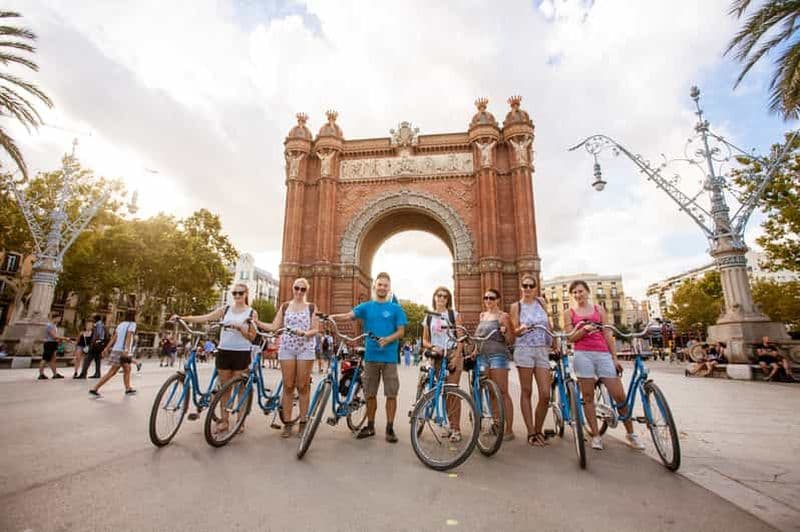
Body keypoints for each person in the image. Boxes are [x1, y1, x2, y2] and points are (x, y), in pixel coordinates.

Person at [567, 280, 645, 451]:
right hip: (582, 355)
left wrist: (614, 358)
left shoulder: (599, 310)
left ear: (587, 292)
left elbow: (607, 333)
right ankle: (596, 436)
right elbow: (570, 338)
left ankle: (631, 434)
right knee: (587, 397)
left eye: (580, 291)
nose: (578, 295)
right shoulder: (570, 312)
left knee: (619, 396)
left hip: (602, 354)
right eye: (574, 293)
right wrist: (584, 330)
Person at [170, 282, 257, 434]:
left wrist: (240, 329)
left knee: (240, 388)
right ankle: (224, 421)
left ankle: (240, 420)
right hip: (224, 351)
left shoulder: (251, 313)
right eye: (234, 293)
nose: (237, 296)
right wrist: (182, 317)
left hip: (241, 352)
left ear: (246, 294)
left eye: (240, 293)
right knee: (225, 388)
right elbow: (205, 317)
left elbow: (252, 337)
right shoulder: (225, 310)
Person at [330, 272, 407, 443]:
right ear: (375, 286)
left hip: (389, 358)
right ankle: (371, 426)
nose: (382, 288)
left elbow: (401, 331)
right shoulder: (366, 307)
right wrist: (333, 317)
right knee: (370, 394)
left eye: (385, 285)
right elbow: (350, 315)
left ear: (389, 288)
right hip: (371, 356)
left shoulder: (396, 309)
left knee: (391, 394)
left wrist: (387, 339)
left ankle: (389, 428)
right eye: (380, 285)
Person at [252, 277, 319, 438]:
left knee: (302, 386)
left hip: (305, 349)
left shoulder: (311, 307)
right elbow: (275, 327)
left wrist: (304, 333)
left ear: (306, 291)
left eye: (302, 289)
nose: (299, 291)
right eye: (297, 288)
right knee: (288, 386)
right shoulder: (285, 306)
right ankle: (288, 423)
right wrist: (257, 322)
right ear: (292, 288)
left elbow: (315, 329)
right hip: (287, 348)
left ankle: (303, 421)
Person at [510, 274, 555, 447]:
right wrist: (519, 329)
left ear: (535, 287)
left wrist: (554, 343)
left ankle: (538, 428)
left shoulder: (541, 302)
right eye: (525, 285)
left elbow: (548, 324)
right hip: (524, 350)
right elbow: (514, 330)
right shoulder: (516, 306)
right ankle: (531, 432)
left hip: (542, 350)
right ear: (520, 287)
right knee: (527, 391)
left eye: (531, 285)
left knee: (545, 394)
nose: (528, 288)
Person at [421, 286, 464, 441]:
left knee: (452, 391)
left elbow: (461, 339)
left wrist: (457, 357)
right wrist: (433, 347)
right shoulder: (429, 317)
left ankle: (456, 429)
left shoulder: (454, 315)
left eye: (444, 296)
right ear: (434, 297)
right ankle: (450, 426)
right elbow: (424, 340)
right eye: (438, 295)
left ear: (448, 299)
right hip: (437, 356)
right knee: (444, 392)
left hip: (452, 353)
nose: (441, 298)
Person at [475, 288, 515, 441]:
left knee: (502, 392)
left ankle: (509, 429)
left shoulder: (503, 316)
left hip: (498, 356)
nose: (488, 301)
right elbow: (480, 337)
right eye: (486, 298)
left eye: (491, 298)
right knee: (491, 392)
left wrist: (505, 332)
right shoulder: (482, 315)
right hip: (483, 357)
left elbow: (511, 340)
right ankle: (497, 425)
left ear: (498, 299)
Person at [89, 309, 138, 397]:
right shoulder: (132, 324)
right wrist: (126, 350)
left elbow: (114, 338)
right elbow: (129, 337)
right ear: (133, 316)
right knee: (112, 371)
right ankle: (95, 388)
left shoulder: (121, 324)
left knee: (127, 369)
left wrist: (106, 348)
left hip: (116, 349)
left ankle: (128, 389)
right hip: (122, 351)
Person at [38, 313, 70, 380]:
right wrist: (65, 338)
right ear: (55, 318)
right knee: (45, 359)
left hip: (53, 343)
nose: (59, 320)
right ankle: (41, 374)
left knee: (53, 359)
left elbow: (55, 337)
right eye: (59, 318)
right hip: (49, 343)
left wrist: (60, 340)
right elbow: (54, 336)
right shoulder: (50, 325)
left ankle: (55, 374)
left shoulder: (54, 325)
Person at [77, 314, 106, 379]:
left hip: (96, 344)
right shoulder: (101, 324)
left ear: (95, 319)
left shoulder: (98, 325)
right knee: (97, 359)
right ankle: (97, 373)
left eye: (93, 318)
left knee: (87, 358)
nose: (92, 320)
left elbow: (98, 334)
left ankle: (83, 374)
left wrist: (93, 343)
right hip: (100, 343)